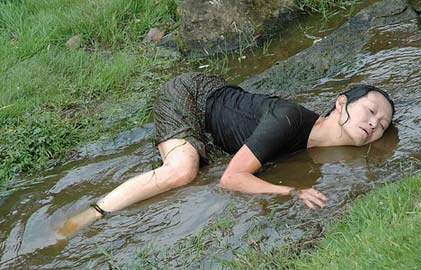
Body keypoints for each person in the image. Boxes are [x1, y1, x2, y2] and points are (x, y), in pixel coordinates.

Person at [57, 72, 395, 238]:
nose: (373, 124)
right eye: (370, 110)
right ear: (340, 103)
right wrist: (291, 191)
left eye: (381, 125)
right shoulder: (290, 119)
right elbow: (231, 179)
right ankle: (87, 216)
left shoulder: (318, 145)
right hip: (190, 96)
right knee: (183, 172)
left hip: (222, 107)